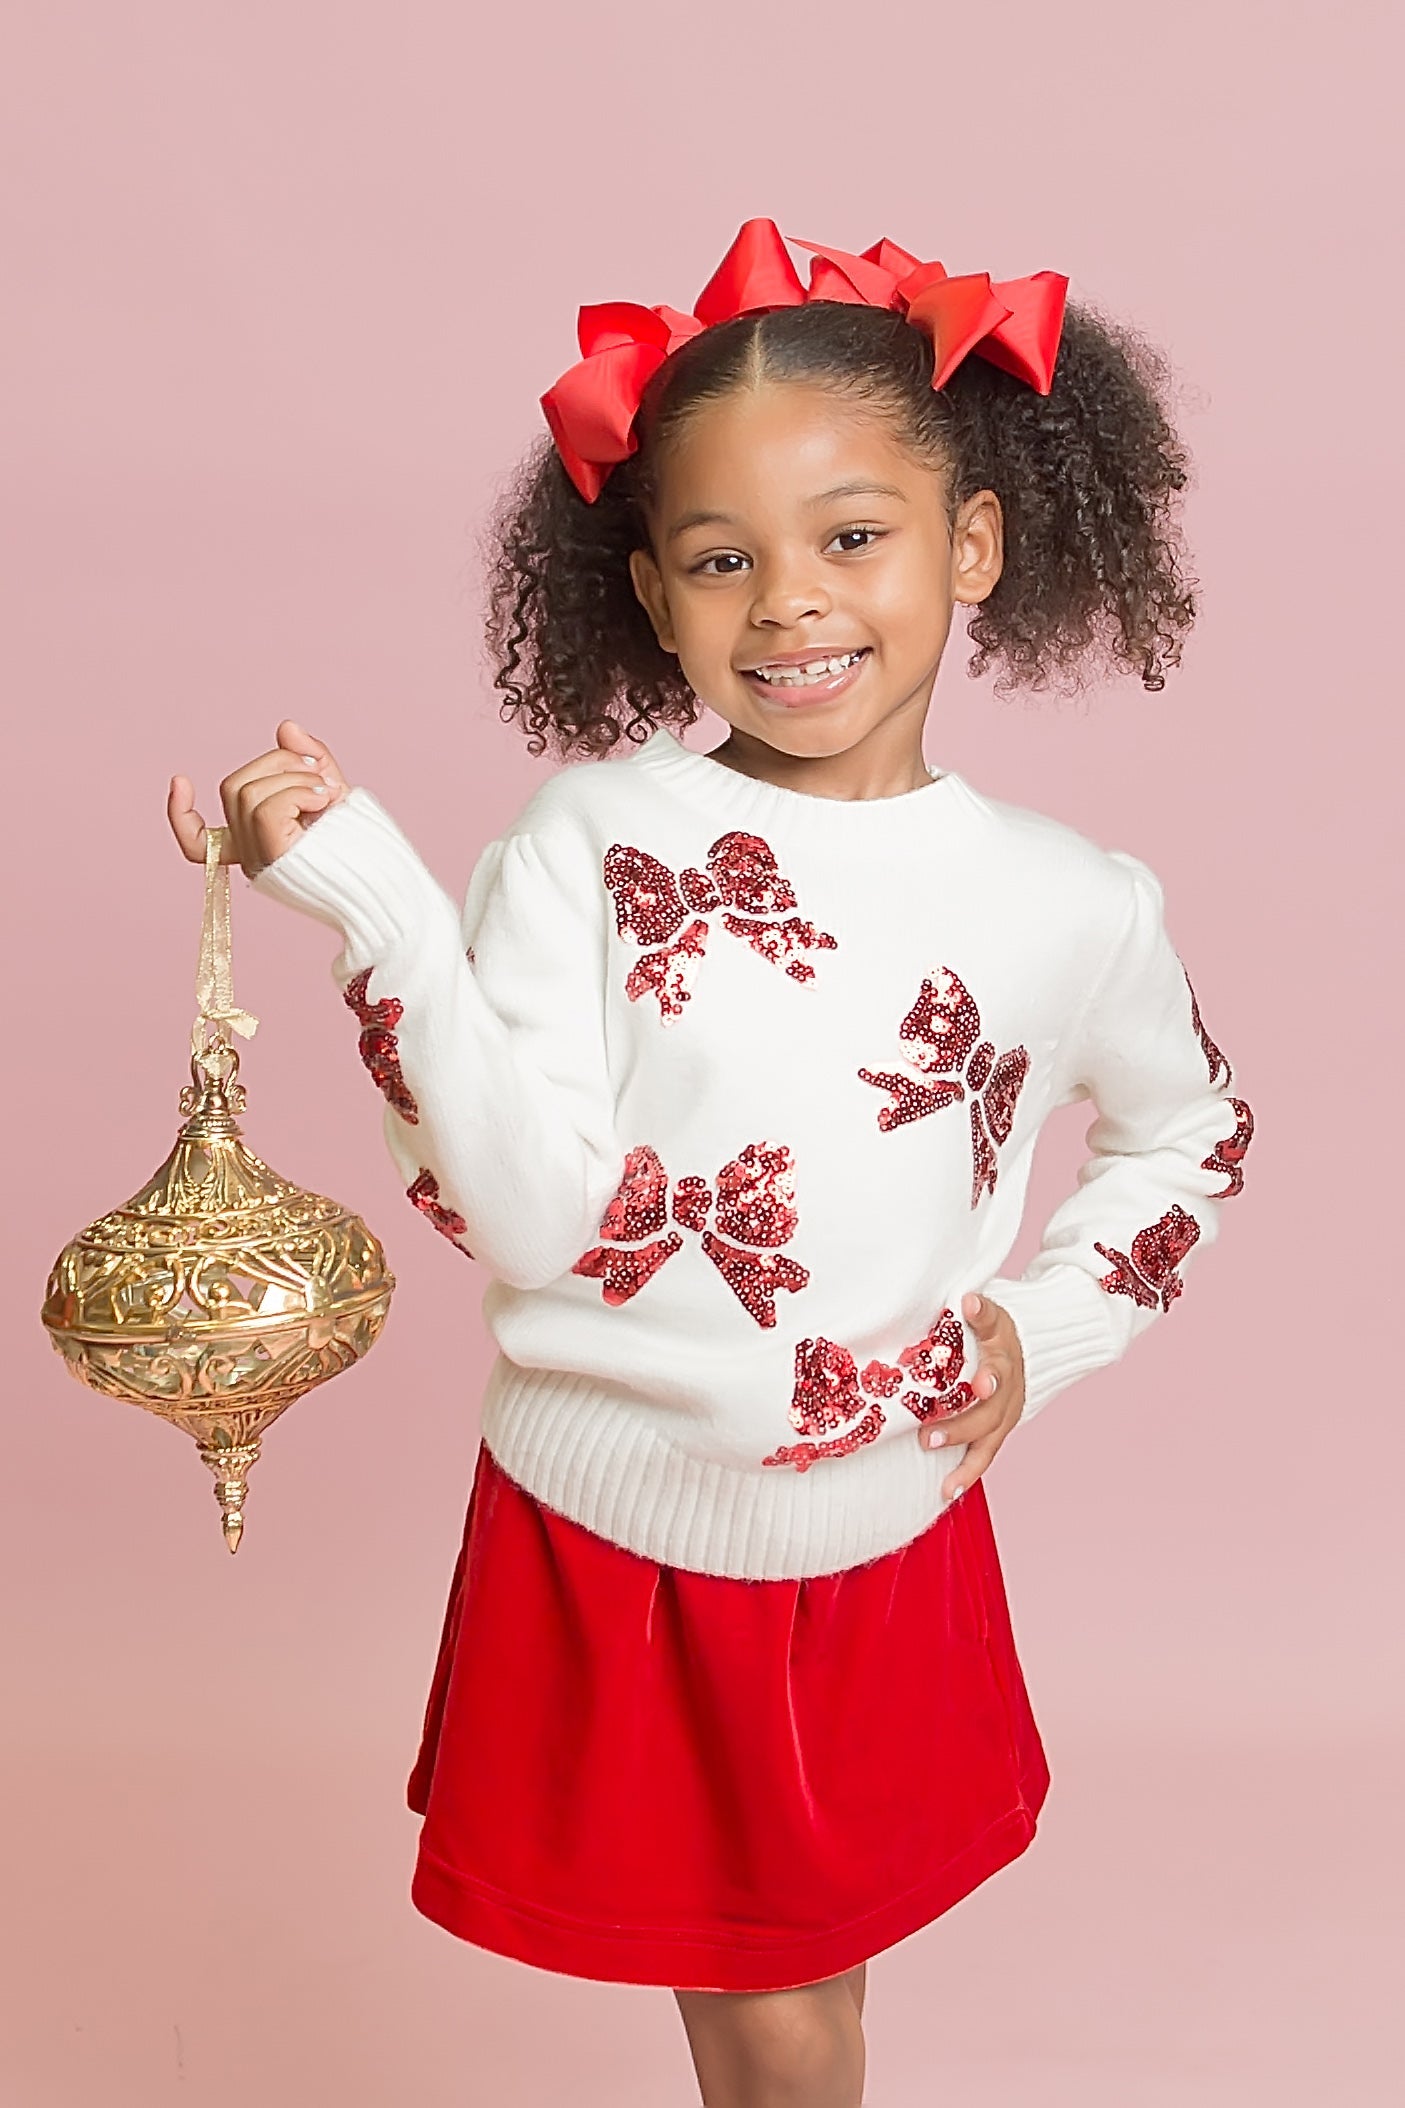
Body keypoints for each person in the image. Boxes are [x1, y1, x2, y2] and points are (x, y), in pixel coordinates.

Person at [168, 218, 1255, 2108]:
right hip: (614, 1540)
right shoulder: (590, 838)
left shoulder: (1073, 902)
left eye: (852, 537)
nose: (789, 605)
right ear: (652, 602)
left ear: (971, 548)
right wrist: (370, 896)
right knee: (766, 2007)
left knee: (789, 2000)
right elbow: (522, 1208)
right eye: (719, 558)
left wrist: (1043, 1328)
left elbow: (1190, 1134)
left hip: (881, 1532)